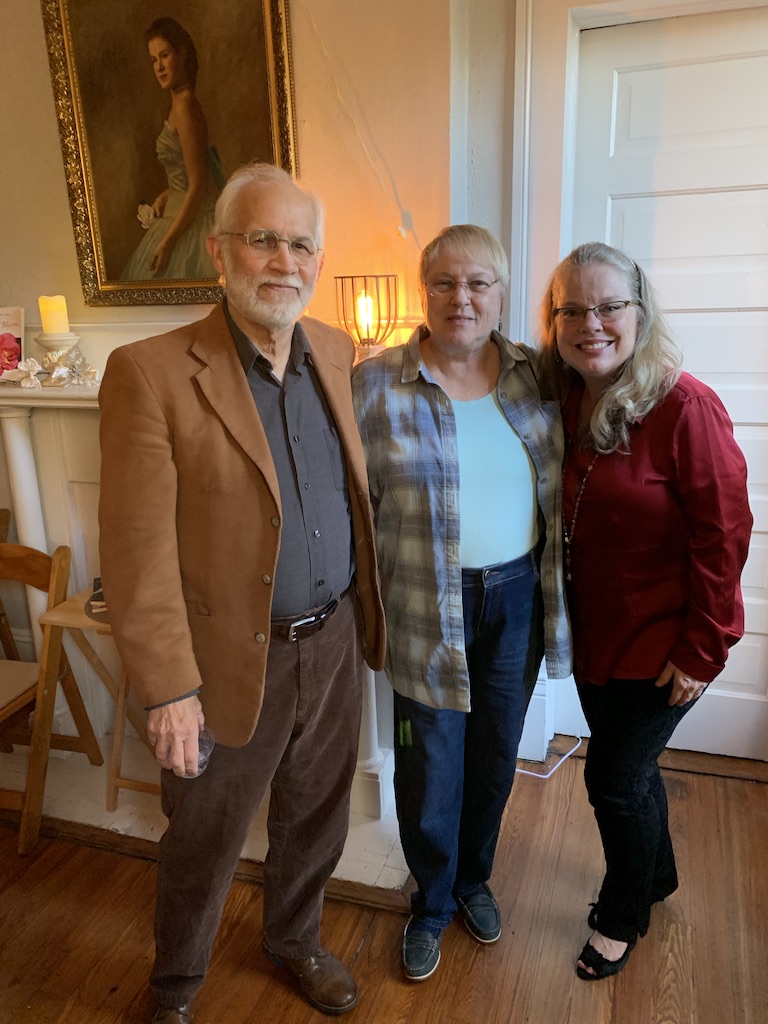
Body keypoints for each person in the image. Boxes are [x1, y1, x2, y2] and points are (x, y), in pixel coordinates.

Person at [99, 162, 385, 1024]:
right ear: (219, 251)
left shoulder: (334, 348)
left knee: (317, 815)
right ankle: (175, 988)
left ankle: (295, 941)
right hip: (223, 659)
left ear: (318, 260)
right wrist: (168, 691)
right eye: (263, 240)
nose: (284, 261)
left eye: (301, 244)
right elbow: (136, 550)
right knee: (204, 835)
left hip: (333, 641)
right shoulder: (150, 371)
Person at [352, 225, 572, 982]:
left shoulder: (539, 377)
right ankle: (431, 902)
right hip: (424, 604)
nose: (462, 298)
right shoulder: (374, 385)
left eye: (479, 283)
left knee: (494, 756)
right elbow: (352, 507)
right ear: (425, 291)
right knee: (429, 765)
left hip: (515, 600)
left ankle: (473, 879)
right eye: (445, 282)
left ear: (502, 294)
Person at [536, 241, 752, 981]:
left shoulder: (685, 406)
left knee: (612, 780)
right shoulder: (567, 399)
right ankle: (657, 875)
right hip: (598, 638)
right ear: (554, 321)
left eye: (608, 306)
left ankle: (622, 914)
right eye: (572, 310)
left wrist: (702, 650)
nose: (590, 324)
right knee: (633, 771)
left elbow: (725, 535)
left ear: (639, 311)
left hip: (665, 647)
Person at [121, 17, 224, 282]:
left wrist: (167, 243)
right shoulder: (179, 103)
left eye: (165, 55)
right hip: (176, 212)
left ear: (182, 54)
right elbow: (187, 174)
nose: (159, 67)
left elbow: (198, 186)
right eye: (154, 60)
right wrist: (167, 195)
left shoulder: (186, 107)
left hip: (191, 223)